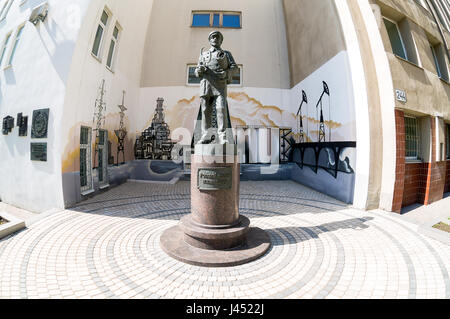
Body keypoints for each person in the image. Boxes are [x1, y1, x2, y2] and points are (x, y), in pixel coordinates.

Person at [195, 31, 238, 144]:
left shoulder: (226, 54)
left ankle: (222, 136)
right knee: (205, 110)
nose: (215, 39)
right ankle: (206, 135)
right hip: (206, 84)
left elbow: (234, 68)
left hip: (220, 85)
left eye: (217, 37)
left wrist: (226, 73)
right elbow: (197, 71)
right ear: (209, 40)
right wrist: (199, 71)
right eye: (213, 37)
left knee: (221, 109)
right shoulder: (204, 54)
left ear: (221, 40)